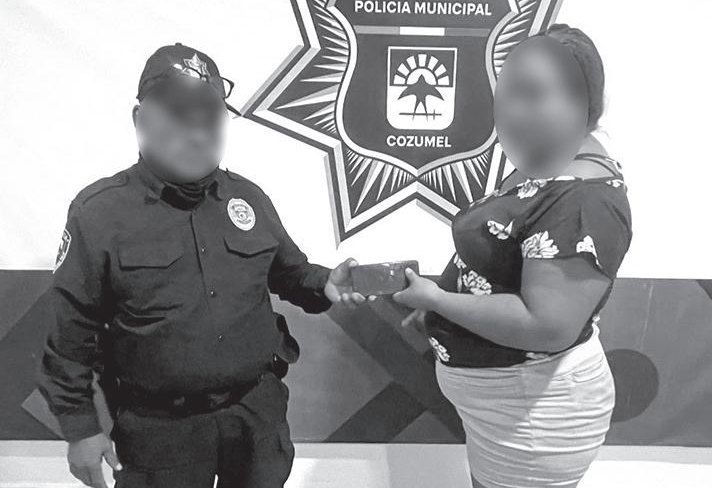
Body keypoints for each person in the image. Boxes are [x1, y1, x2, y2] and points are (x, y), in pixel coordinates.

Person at [35, 43, 368, 488]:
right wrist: (80, 429)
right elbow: (70, 334)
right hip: (159, 432)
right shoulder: (99, 213)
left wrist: (327, 282)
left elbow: (290, 273)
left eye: (210, 118)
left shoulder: (247, 198)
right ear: (140, 120)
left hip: (255, 417)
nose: (197, 134)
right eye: (179, 118)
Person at [394, 24, 632, 487]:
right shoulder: (551, 161)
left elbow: (546, 326)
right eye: (508, 92)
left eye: (534, 94)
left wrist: (439, 301)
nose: (513, 109)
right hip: (510, 409)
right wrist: (443, 304)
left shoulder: (583, 199)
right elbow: (504, 260)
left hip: (533, 415)